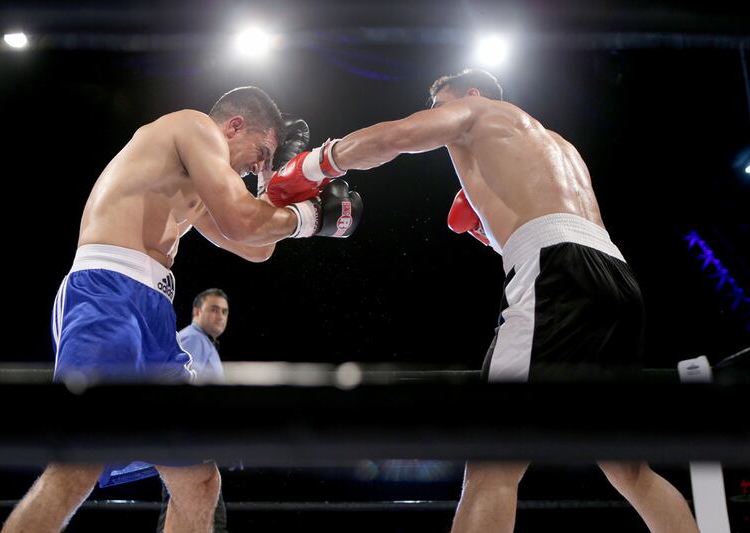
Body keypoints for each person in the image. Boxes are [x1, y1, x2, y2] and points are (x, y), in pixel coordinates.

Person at [264, 69, 698, 532]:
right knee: (628, 467)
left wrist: (317, 163)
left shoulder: (478, 111)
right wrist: (490, 231)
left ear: (470, 94)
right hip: (616, 278)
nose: (436, 115)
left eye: (440, 103)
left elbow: (398, 137)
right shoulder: (557, 146)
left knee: (493, 457)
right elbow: (548, 219)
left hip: (556, 274)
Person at [2, 86, 362, 533]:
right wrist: (308, 218)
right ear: (233, 126)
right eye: (261, 153)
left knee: (198, 479)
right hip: (107, 292)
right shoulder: (192, 126)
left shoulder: (196, 185)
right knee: (79, 462)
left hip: (153, 311)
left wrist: (276, 186)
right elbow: (242, 221)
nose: (257, 167)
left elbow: (256, 248)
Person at [157, 288, 232, 533]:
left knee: (183, 514)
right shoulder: (192, 339)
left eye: (224, 311)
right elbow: (182, 390)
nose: (220, 316)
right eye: (213, 309)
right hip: (188, 446)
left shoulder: (204, 344)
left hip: (191, 445)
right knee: (209, 520)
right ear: (197, 311)